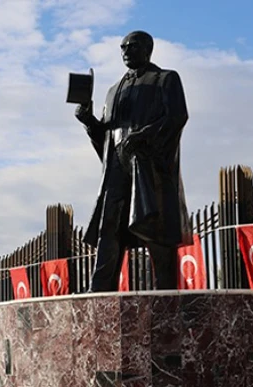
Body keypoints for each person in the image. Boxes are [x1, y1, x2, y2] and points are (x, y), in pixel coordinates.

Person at [75, 30, 193, 292]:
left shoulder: (165, 79)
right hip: (116, 165)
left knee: (155, 230)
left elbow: (176, 117)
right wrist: (89, 122)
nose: (126, 50)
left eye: (133, 45)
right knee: (110, 230)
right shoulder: (112, 90)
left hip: (149, 165)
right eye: (123, 46)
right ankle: (100, 293)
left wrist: (144, 136)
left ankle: (166, 295)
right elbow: (105, 136)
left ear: (148, 49)